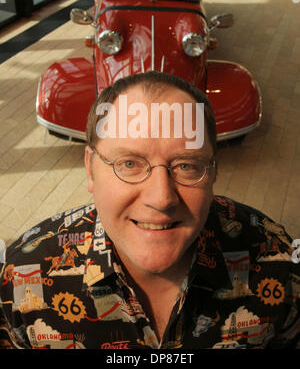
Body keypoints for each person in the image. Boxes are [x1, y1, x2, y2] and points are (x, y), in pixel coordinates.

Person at [0, 71, 299, 350]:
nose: (161, 198)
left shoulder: (279, 261)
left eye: (186, 165)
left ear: (212, 173)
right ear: (90, 168)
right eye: (129, 164)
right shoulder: (20, 278)